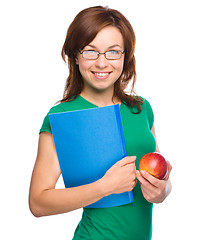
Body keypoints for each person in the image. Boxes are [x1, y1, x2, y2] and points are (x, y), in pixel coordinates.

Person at [29, 5, 172, 240]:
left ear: (125, 57)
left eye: (113, 51)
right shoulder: (62, 116)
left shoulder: (141, 108)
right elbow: (37, 202)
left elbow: (160, 179)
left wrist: (162, 190)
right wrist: (105, 187)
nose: (102, 63)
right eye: (90, 51)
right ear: (75, 56)